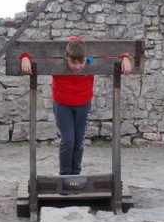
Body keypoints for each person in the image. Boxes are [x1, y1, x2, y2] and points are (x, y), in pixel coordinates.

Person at [19, 38, 132, 176]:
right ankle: (65, 176)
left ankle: (76, 175)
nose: (77, 67)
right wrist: (24, 57)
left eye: (81, 62)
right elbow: (35, 53)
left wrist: (125, 57)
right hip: (62, 105)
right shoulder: (57, 59)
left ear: (87, 58)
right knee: (68, 140)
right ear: (66, 58)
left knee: (79, 142)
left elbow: (115, 54)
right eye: (73, 62)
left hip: (84, 105)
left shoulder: (91, 59)